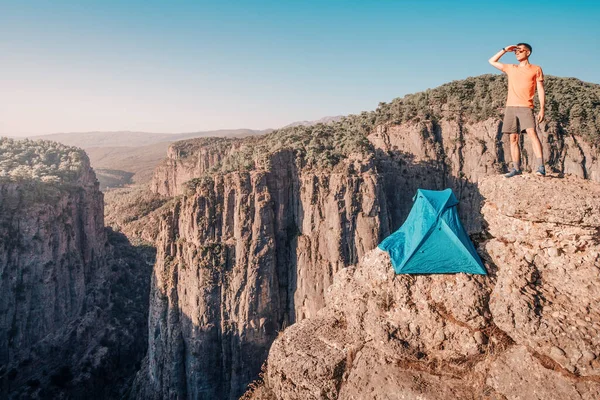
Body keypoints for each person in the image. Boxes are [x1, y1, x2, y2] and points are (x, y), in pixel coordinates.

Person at [488, 43, 546, 177]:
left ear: (528, 53)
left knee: (532, 133)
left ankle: (541, 167)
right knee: (513, 138)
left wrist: (542, 108)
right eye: (516, 51)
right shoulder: (511, 68)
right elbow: (491, 61)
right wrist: (504, 50)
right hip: (511, 107)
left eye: (520, 50)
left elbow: (541, 90)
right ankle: (516, 168)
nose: (517, 53)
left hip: (526, 106)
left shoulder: (536, 69)